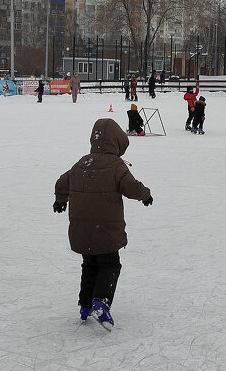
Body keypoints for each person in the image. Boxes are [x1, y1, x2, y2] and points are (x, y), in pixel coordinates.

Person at [53, 118, 153, 330]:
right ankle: (101, 302)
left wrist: (60, 201)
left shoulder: (81, 162)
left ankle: (85, 305)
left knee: (90, 264)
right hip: (106, 230)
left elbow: (62, 183)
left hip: (82, 230)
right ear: (117, 142)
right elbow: (132, 187)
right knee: (109, 264)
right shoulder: (116, 165)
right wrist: (146, 195)